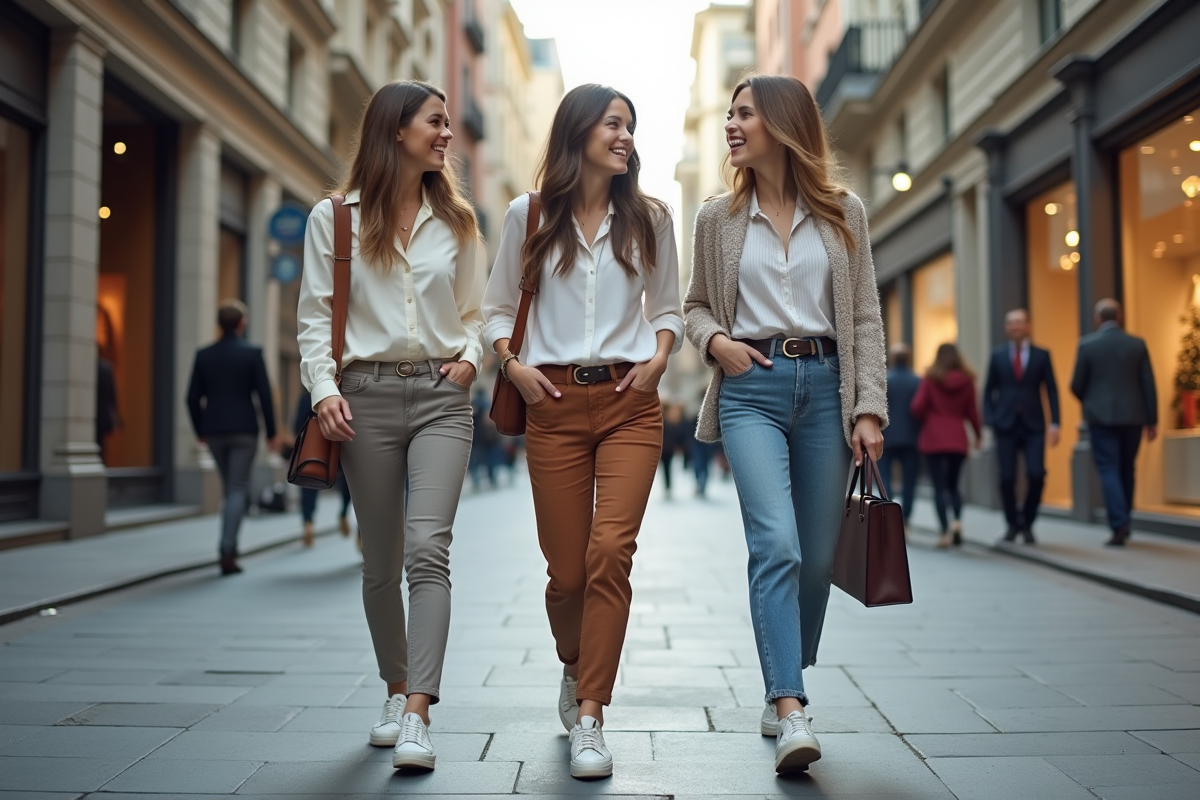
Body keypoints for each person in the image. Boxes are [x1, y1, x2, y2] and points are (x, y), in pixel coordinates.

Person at [683, 74, 887, 774]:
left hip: (829, 388)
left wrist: (868, 408)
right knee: (777, 543)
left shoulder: (843, 212)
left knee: (819, 559)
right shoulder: (717, 218)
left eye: (745, 114)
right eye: (731, 112)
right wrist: (717, 344)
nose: (732, 125)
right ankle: (789, 704)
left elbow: (864, 314)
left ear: (782, 123)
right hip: (752, 390)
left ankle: (782, 674)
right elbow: (696, 307)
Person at [482, 83, 681, 780]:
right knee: (566, 574)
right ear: (578, 133)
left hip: (631, 403)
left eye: (631, 126)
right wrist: (512, 367)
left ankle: (592, 713)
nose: (626, 137)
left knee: (610, 554)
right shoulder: (527, 215)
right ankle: (575, 665)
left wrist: (660, 357)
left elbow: (670, 309)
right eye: (613, 125)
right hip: (554, 406)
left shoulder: (652, 217)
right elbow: (496, 309)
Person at [297, 80, 485, 771]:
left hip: (441, 398)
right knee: (379, 563)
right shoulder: (335, 218)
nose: (446, 135)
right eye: (435, 122)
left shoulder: (460, 222)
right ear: (396, 129)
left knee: (426, 549)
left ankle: (417, 714)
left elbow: (475, 315)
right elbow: (316, 317)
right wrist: (322, 391)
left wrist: (469, 361)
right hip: (362, 400)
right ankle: (394, 684)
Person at [186, 299, 280, 575]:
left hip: (214, 430)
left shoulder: (204, 355)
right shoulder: (252, 353)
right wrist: (272, 433)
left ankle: (227, 546)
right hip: (244, 430)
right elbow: (264, 395)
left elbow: (191, 397)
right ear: (242, 323)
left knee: (231, 488)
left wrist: (199, 430)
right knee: (237, 487)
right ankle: (228, 550)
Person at [1070, 298, 1157, 547]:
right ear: (1119, 316)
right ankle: (1124, 519)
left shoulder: (1087, 345)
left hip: (1100, 417)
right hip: (1133, 416)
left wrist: (1091, 402)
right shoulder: (1137, 344)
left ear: (1098, 319)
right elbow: (1148, 383)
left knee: (1108, 469)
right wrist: (1152, 420)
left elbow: (1077, 384)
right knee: (1127, 468)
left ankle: (1119, 523)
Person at [983, 308, 1060, 543]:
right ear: (1007, 328)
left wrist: (1056, 422)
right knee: (1006, 477)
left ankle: (1027, 521)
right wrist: (990, 420)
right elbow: (988, 392)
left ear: (1028, 326)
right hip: (1005, 426)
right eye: (1010, 323)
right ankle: (1012, 524)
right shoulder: (997, 356)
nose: (1015, 326)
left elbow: (1052, 390)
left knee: (1036, 474)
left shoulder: (1041, 355)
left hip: (1034, 425)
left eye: (1019, 322)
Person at [911, 343, 982, 548]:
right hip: (958, 439)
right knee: (953, 486)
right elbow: (972, 412)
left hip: (933, 438)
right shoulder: (968, 381)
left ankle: (943, 533)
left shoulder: (931, 378)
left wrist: (929, 418)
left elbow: (917, 407)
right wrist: (977, 435)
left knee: (939, 488)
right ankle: (957, 523)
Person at [292, 388, 354, 548]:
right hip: (347, 442)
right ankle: (346, 516)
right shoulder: (350, 391)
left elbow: (298, 424)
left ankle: (308, 522)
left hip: (319, 446)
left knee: (309, 481)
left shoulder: (310, 393)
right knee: (351, 484)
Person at [878, 343, 921, 523]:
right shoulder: (917, 381)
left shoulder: (885, 380)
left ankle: (888, 516)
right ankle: (906, 519)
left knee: (885, 480)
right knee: (909, 483)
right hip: (912, 439)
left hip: (887, 437)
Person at [659, 402, 690, 499]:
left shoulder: (667, 421)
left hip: (666, 448)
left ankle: (668, 486)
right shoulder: (671, 421)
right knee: (667, 468)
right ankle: (668, 486)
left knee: (666, 468)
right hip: (667, 448)